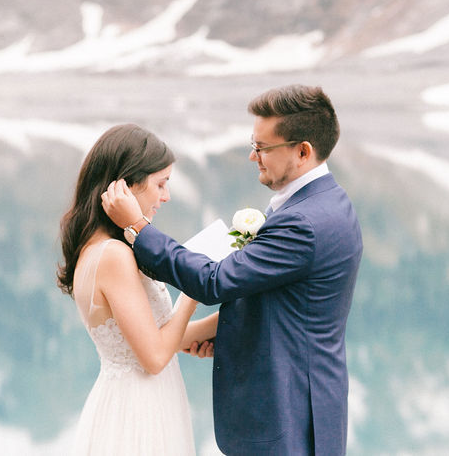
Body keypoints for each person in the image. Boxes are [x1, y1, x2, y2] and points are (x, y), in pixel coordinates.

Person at [103, 84, 364, 455]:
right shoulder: (323, 203)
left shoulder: (304, 222)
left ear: (303, 151)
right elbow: (281, 303)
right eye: (252, 143)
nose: (252, 155)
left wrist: (139, 230)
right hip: (298, 407)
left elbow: (214, 281)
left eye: (262, 148)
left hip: (288, 418)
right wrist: (226, 337)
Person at [57, 123, 216, 455]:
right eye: (160, 184)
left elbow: (153, 337)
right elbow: (155, 356)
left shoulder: (99, 248)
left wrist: (235, 317)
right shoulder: (114, 256)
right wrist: (192, 291)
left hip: (134, 399)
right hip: (139, 411)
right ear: (126, 186)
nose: (166, 196)